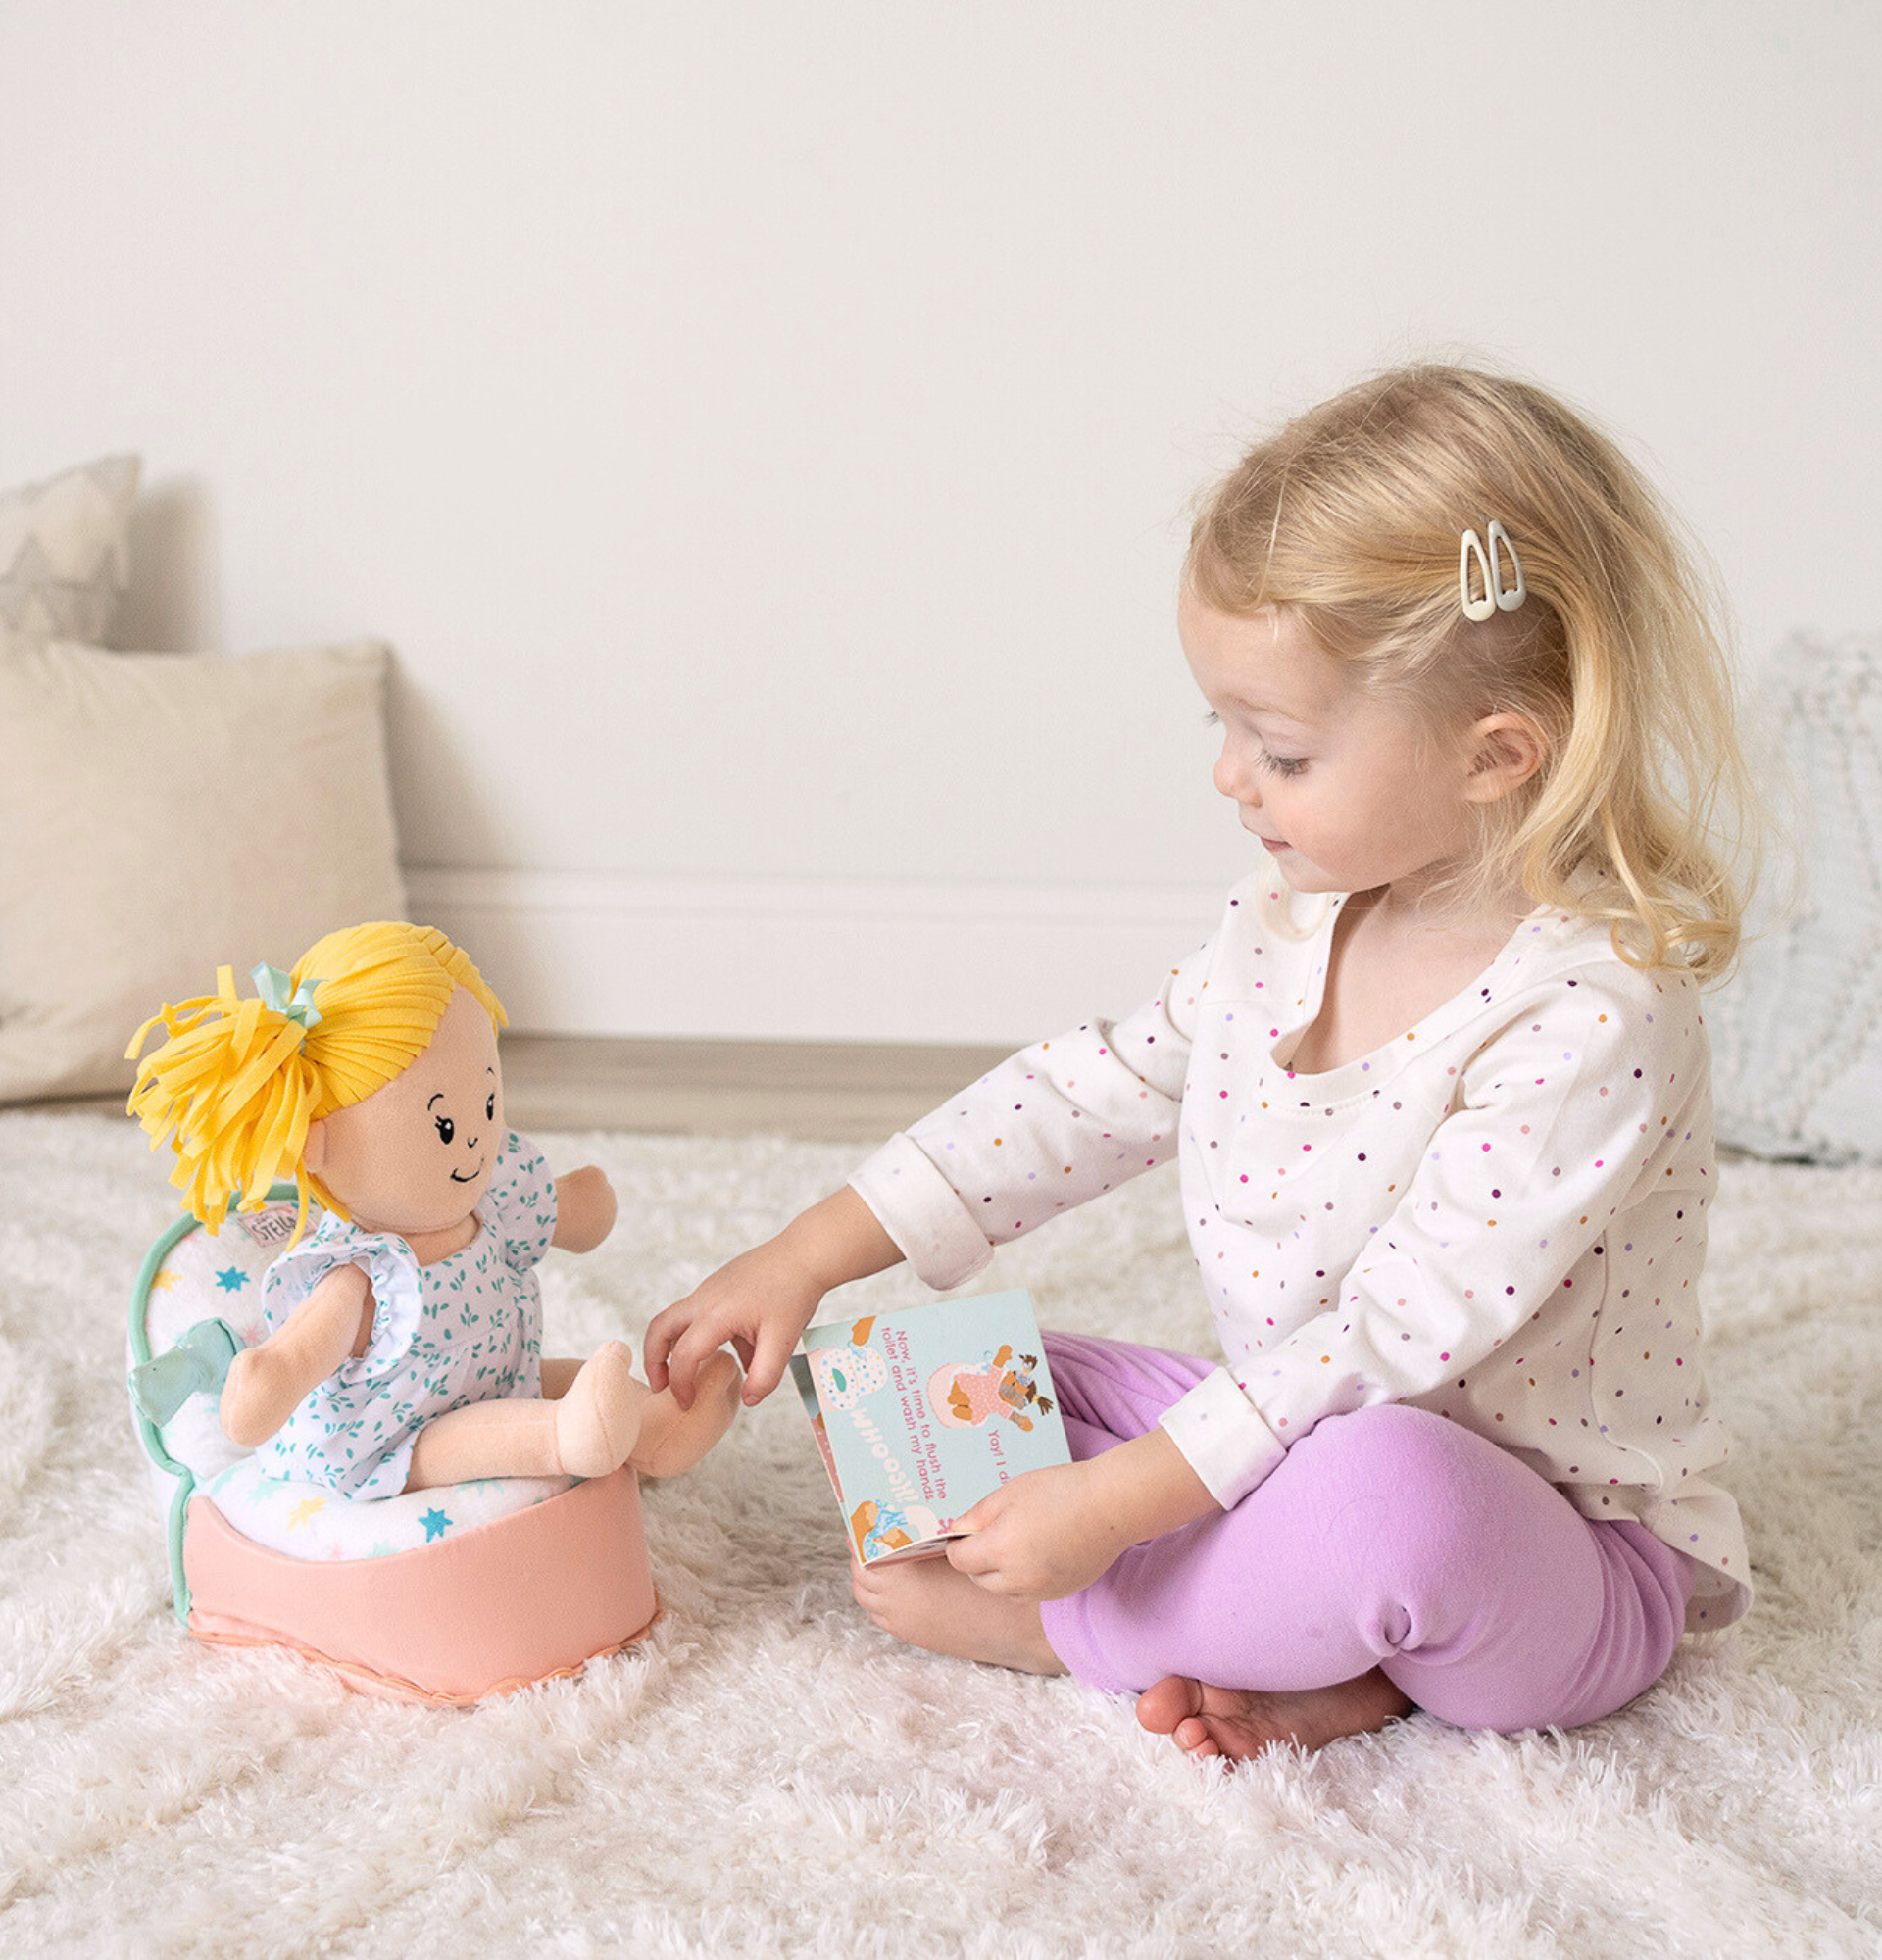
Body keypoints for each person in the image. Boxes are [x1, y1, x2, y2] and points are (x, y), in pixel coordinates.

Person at [645, 365, 1759, 1762]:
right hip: (1293, 1439)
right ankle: (1320, 1654)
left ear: (1496, 756)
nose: (1231, 778)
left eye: (1282, 751)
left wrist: (1111, 1516)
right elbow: (1087, 1092)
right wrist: (807, 1253)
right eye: (1220, 728)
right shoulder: (1289, 920)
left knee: (1388, 1498)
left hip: (1542, 1545)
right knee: (938, 1376)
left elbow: (1390, 1343)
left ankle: (1091, 1634)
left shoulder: (1593, 1012)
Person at [127, 921, 739, 1497]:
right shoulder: (363, 1272)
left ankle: (661, 1429)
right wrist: (269, 1379)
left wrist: (579, 1206)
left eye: (489, 1100)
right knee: (484, 1435)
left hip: (501, 1376)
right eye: (445, 1124)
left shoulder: (491, 1197)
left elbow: (577, 1216)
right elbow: (300, 1353)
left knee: (566, 1381)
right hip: (395, 1440)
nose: (475, 1137)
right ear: (318, 1141)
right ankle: (563, 1439)